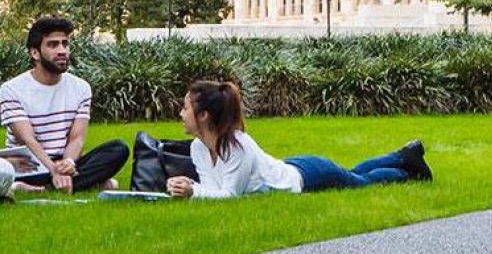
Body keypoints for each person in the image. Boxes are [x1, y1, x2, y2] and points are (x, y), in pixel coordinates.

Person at [166, 80, 432, 199]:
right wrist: (191, 187)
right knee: (350, 174)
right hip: (290, 168)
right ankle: (403, 155)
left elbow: (230, 195)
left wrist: (193, 192)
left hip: (307, 176)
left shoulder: (237, 145)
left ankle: (406, 171)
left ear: (203, 115)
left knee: (360, 182)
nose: (180, 113)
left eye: (185, 108)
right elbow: (214, 189)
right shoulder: (198, 147)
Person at [0, 17, 128, 194]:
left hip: (64, 159)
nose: (62, 51)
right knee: (4, 168)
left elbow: (77, 138)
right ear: (35, 53)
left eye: (65, 44)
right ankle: (85, 183)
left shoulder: (81, 87)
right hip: (28, 163)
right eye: (53, 45)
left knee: (118, 149)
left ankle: (43, 188)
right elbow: (27, 139)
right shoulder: (11, 89)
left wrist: (67, 165)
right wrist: (53, 169)